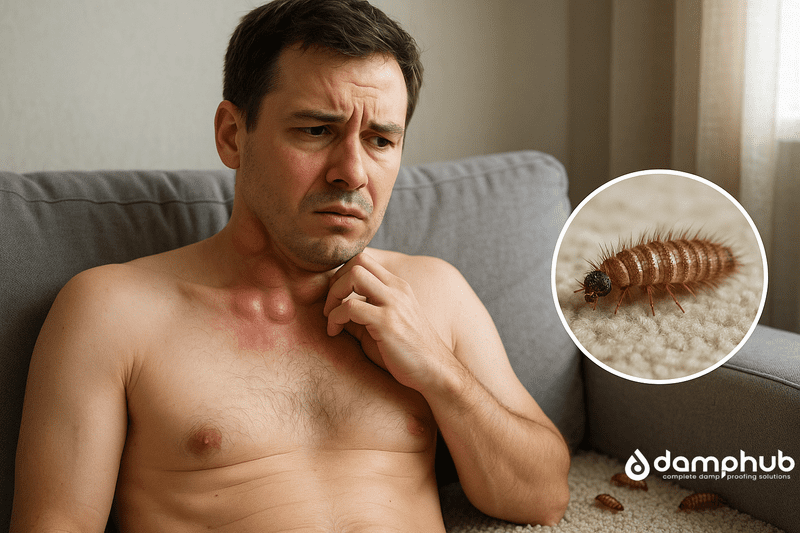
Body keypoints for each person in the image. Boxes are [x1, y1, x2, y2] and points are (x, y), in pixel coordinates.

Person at [11, 0, 570, 531]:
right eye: (316, 130)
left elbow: (543, 497)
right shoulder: (113, 311)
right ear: (233, 136)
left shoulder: (432, 294)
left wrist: (436, 370)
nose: (351, 172)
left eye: (379, 139)